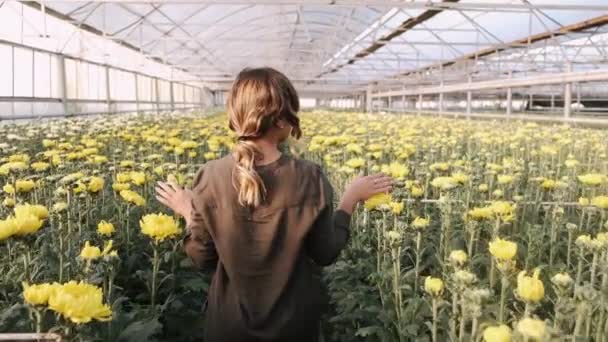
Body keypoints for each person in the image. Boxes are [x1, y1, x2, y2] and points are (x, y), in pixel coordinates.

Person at [155, 67, 393, 342]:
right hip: (293, 327)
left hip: (228, 328)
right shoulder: (309, 176)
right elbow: (325, 253)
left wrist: (189, 211)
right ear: (283, 120)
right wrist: (350, 198)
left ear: (236, 115)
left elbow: (202, 257)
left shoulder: (211, 176)